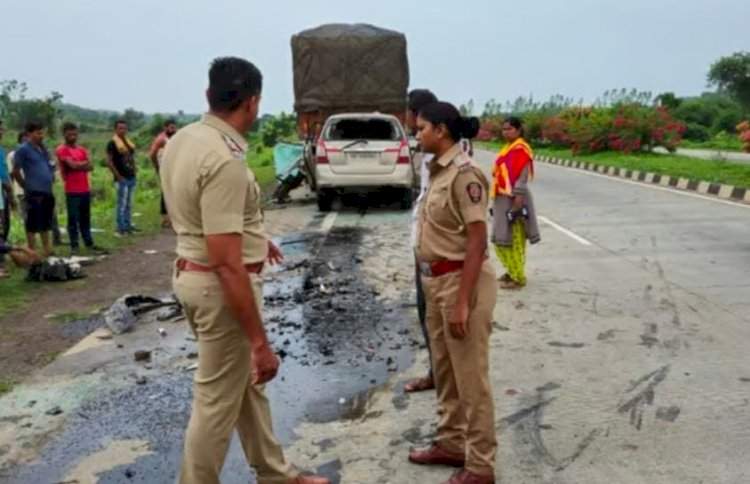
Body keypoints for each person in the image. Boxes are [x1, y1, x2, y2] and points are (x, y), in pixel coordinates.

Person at [161, 57, 329, 484]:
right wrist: (260, 342)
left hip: (191, 274)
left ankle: (274, 473)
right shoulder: (224, 160)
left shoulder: (183, 140)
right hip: (219, 286)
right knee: (216, 400)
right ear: (252, 103)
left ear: (208, 96)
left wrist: (257, 240)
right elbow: (226, 263)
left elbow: (204, 219)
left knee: (246, 388)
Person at [408, 102, 498, 484]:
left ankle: (480, 465)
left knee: (470, 377)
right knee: (445, 372)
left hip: (462, 282)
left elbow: (477, 241)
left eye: (421, 128)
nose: (417, 135)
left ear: (441, 131)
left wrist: (462, 302)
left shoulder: (465, 174)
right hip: (435, 283)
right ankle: (451, 442)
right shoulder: (436, 171)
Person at [404, 89, 439, 393]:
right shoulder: (429, 153)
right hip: (424, 246)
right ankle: (439, 372)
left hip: (434, 251)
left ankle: (440, 375)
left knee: (430, 314)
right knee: (429, 314)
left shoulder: (440, 156)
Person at [491, 117, 540, 290]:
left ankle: (517, 276)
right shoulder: (507, 148)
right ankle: (512, 271)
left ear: (519, 131)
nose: (506, 132)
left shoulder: (521, 149)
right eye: (504, 129)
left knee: (514, 237)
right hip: (502, 198)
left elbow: (522, 175)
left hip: (514, 198)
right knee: (502, 239)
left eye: (510, 129)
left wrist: (518, 198)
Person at [55, 122, 103, 254]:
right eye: (70, 134)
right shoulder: (62, 149)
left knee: (85, 218)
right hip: (71, 190)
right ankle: (74, 245)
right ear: (64, 134)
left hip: (84, 189)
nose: (73, 136)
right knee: (73, 219)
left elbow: (91, 166)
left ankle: (89, 243)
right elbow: (73, 166)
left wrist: (78, 164)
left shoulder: (81, 149)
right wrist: (82, 164)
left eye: (75, 134)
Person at [12, 122, 56, 257]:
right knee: (32, 223)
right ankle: (31, 251)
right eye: (38, 133)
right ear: (29, 134)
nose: (41, 135)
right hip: (33, 192)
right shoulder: (23, 149)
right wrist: (26, 186)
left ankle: (47, 249)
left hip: (47, 191)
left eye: (42, 133)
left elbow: (50, 165)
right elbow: (15, 170)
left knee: (46, 222)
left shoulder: (43, 149)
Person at [106, 120, 138, 236]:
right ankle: (120, 228)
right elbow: (109, 161)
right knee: (122, 203)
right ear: (115, 129)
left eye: (124, 128)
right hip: (121, 177)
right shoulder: (112, 143)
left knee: (129, 203)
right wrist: (118, 176)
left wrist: (135, 169)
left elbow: (131, 157)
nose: (122, 130)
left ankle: (128, 225)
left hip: (131, 176)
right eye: (120, 128)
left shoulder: (128, 143)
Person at [148, 118, 178, 228]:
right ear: (165, 128)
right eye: (171, 127)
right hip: (164, 170)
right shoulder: (161, 139)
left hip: (174, 169)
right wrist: (158, 167)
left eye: (174, 127)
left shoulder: (176, 137)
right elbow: (152, 154)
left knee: (174, 193)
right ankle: (165, 219)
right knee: (165, 193)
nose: (173, 129)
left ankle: (173, 218)